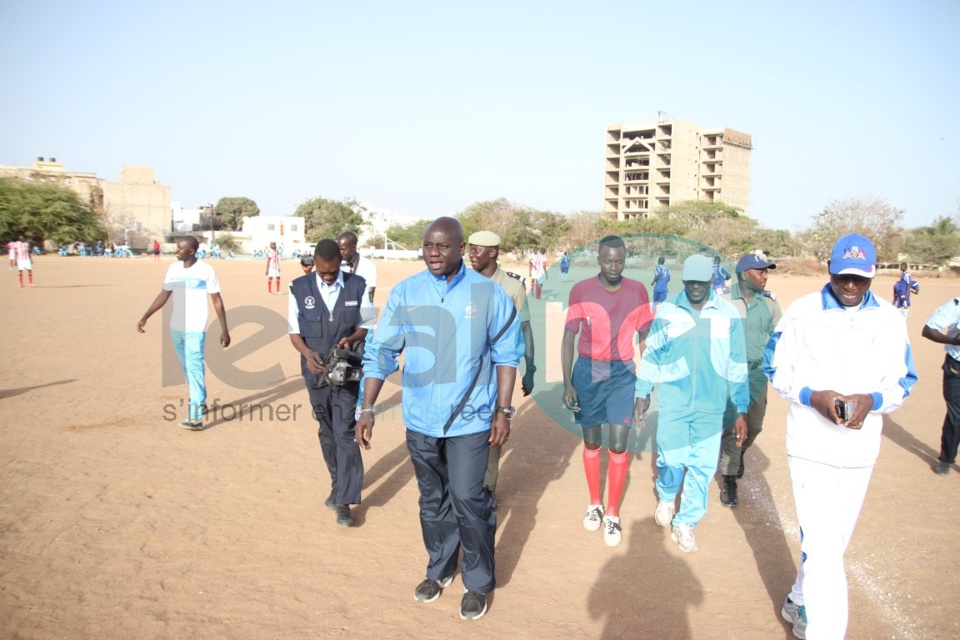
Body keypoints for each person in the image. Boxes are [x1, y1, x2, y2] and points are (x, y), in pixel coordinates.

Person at [356, 217, 521, 621]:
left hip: (472, 419)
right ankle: (440, 567)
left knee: (468, 498)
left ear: (461, 249)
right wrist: (367, 406)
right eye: (428, 245)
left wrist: (502, 410)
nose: (433, 252)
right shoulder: (407, 292)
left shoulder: (487, 294)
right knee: (433, 500)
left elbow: (506, 355)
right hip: (421, 419)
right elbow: (382, 352)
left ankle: (478, 581)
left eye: (442, 246)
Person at [763, 233, 917, 639]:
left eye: (860, 279)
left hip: (860, 450)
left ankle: (798, 599)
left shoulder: (889, 319)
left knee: (833, 542)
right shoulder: (802, 312)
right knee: (824, 547)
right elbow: (775, 367)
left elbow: (904, 380)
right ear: (830, 270)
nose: (851, 287)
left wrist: (873, 399)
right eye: (843, 277)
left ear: (872, 275)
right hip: (810, 446)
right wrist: (812, 396)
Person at [636, 254, 748, 553]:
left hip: (712, 407)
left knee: (702, 466)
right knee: (671, 459)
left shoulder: (727, 313)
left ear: (713, 281)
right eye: (690, 283)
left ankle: (686, 522)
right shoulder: (669, 310)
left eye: (702, 283)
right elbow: (653, 354)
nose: (696, 289)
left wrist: (740, 407)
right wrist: (642, 391)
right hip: (674, 401)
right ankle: (667, 494)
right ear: (683, 281)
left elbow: (737, 362)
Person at [562, 235, 653, 547]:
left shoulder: (638, 291)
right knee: (592, 441)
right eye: (607, 261)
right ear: (597, 260)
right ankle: (594, 504)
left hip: (622, 372)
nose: (614, 267)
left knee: (618, 443)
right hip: (589, 371)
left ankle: (612, 514)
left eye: (619, 261)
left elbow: (645, 339)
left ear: (625, 259)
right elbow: (568, 339)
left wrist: (646, 384)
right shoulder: (581, 290)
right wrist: (568, 383)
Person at [288, 239, 375, 527]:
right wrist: (306, 352)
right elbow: (294, 331)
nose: (328, 276)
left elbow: (368, 323)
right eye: (324, 272)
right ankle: (337, 483)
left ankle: (344, 502)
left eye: (333, 271)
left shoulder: (358, 285)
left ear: (341, 261)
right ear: (314, 262)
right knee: (326, 432)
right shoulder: (298, 288)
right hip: (314, 372)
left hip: (345, 368)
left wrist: (352, 338)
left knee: (344, 432)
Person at [468, 230, 536, 510]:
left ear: (493, 252)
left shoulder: (513, 287)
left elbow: (526, 330)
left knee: (493, 427)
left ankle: (487, 485)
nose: (471, 255)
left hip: (497, 372)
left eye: (476, 250)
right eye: (470, 250)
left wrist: (530, 369)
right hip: (465, 369)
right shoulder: (461, 283)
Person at [137, 236, 231, 430]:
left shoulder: (206, 270)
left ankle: (195, 418)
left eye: (180, 248)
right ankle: (201, 400)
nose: (177, 251)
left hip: (195, 328)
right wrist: (146, 315)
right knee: (188, 368)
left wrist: (224, 330)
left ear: (191, 251)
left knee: (194, 366)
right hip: (176, 326)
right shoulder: (173, 269)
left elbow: (217, 300)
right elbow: (164, 295)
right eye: (177, 248)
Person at [717, 253, 782, 506]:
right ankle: (729, 479)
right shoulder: (722, 301)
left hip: (756, 374)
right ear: (745, 274)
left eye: (767, 272)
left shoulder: (770, 303)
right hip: (728, 373)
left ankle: (739, 453)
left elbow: (778, 338)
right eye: (760, 271)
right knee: (734, 425)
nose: (765, 276)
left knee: (754, 426)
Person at [921, 296, 960, 476]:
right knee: (956, 416)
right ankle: (946, 460)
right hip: (957, 368)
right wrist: (954, 341)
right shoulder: (956, 305)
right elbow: (928, 330)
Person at [337, 231, 377, 302]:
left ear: (353, 247)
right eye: (339, 249)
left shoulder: (368, 266)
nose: (340, 252)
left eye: (343, 249)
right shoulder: (337, 264)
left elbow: (370, 294)